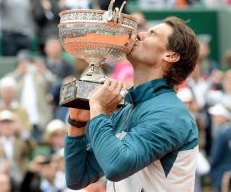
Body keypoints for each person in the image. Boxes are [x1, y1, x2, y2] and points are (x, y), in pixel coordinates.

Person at [64, 16, 200, 191]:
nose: (139, 35)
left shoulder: (171, 114)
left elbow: (115, 167)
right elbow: (78, 178)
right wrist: (77, 124)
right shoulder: (127, 108)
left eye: (152, 34)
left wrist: (98, 109)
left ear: (171, 55)